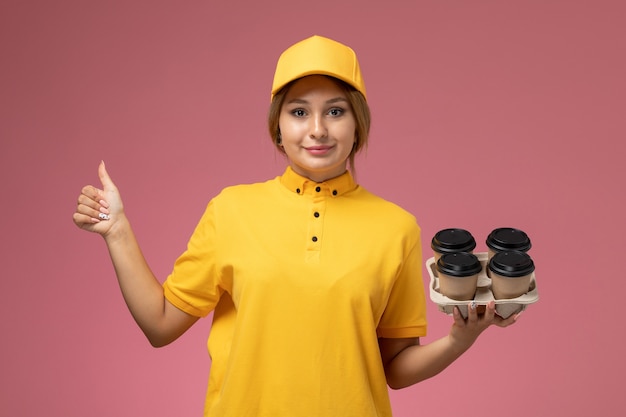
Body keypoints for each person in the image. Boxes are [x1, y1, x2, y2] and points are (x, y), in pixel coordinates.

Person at [73, 35, 518, 416]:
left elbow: (395, 369)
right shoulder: (232, 209)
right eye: (300, 112)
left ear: (358, 126)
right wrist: (117, 231)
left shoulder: (397, 228)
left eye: (336, 111)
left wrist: (460, 340)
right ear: (278, 128)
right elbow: (161, 324)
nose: (318, 129)